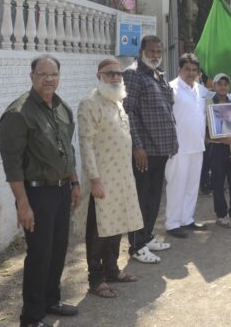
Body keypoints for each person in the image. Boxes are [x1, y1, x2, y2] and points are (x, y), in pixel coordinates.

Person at [0, 55, 81, 326]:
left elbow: (67, 150)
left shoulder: (61, 107)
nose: (49, 79)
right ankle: (31, 317)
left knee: (58, 250)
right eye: (42, 73)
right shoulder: (18, 113)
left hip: (61, 191)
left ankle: (50, 300)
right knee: (39, 254)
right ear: (32, 76)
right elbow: (12, 164)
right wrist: (22, 203)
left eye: (53, 73)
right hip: (37, 195)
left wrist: (75, 183)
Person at [79, 58, 144, 299]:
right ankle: (95, 280)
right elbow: (85, 144)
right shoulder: (90, 103)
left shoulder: (118, 102)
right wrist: (94, 180)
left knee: (116, 226)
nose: (115, 78)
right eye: (110, 74)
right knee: (98, 230)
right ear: (99, 76)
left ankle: (112, 270)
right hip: (102, 180)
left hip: (122, 178)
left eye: (118, 74)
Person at [123, 36, 177, 263]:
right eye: (151, 51)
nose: (155, 55)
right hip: (145, 150)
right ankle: (136, 245)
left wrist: (173, 143)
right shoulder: (133, 74)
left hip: (161, 148)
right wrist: (138, 147)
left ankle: (146, 237)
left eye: (159, 51)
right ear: (142, 51)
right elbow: (129, 112)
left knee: (154, 197)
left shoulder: (158, 74)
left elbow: (167, 110)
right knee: (142, 197)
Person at [165, 53, 208, 238]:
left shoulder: (200, 89)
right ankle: (172, 223)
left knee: (192, 185)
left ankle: (187, 219)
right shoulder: (171, 88)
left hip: (197, 145)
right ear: (179, 70)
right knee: (177, 185)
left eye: (194, 70)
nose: (191, 73)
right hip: (178, 148)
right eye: (187, 69)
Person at [206, 73, 231, 228]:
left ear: (229, 86)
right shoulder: (208, 104)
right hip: (217, 150)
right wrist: (222, 140)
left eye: (226, 84)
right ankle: (221, 215)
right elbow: (206, 134)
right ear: (214, 86)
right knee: (218, 182)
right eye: (219, 84)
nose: (223, 87)